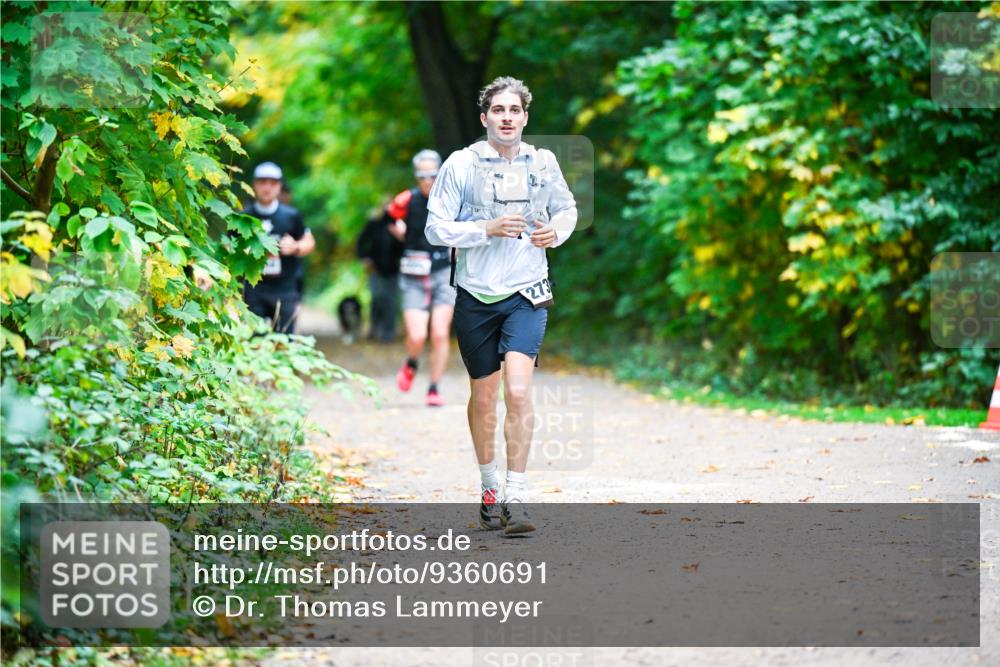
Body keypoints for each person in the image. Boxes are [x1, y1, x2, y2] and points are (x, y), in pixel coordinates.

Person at [425, 76, 577, 535]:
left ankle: (517, 497)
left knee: (517, 391)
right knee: (484, 397)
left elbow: (566, 208)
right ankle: (489, 487)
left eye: (515, 110)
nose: (507, 117)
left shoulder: (543, 162)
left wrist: (558, 231)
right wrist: (484, 230)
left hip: (527, 292)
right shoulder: (461, 164)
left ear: (525, 117)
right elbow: (435, 229)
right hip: (475, 294)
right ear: (484, 117)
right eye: (499, 110)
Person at [389, 149, 456, 407]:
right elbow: (390, 221)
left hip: (443, 272)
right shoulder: (405, 200)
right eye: (422, 176)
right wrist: (399, 231)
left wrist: (457, 246)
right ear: (416, 177)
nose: (427, 181)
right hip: (414, 274)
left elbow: (464, 227)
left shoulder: (451, 200)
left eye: (432, 175)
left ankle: (434, 387)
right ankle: (412, 362)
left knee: (440, 333)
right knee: (417, 336)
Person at [242, 162, 316, 333]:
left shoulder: (291, 216)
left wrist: (295, 247)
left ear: (279, 186)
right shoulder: (243, 218)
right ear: (255, 185)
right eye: (262, 182)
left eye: (272, 183)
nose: (267, 187)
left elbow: (309, 242)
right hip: (254, 288)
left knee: (284, 342)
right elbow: (228, 248)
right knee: (254, 341)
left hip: (285, 288)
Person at [356, 207, 404, 342]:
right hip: (375, 269)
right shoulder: (373, 225)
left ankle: (388, 333)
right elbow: (361, 242)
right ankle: (374, 327)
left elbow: (407, 243)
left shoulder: (399, 225)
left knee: (391, 301)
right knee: (377, 297)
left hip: (394, 269)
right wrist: (364, 258)